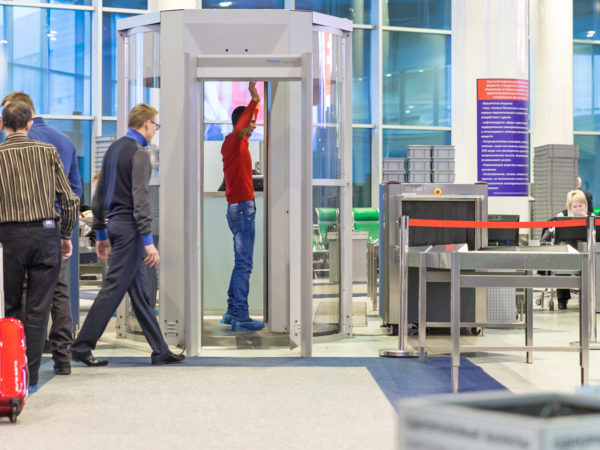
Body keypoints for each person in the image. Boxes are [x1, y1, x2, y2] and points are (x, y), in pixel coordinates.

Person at [70, 104, 184, 366]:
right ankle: (82, 346)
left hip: (116, 227)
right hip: (131, 230)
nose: (156, 129)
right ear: (145, 124)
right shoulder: (139, 153)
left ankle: (160, 350)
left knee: (140, 293)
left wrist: (101, 233)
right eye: (156, 124)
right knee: (112, 290)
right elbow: (140, 199)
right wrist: (147, 242)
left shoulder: (114, 149)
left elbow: (99, 194)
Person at [1, 91, 83, 376]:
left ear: (3, 125)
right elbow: (71, 198)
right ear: (28, 123)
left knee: (13, 307)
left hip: (10, 238)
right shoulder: (49, 152)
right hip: (46, 234)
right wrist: (65, 236)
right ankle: (33, 372)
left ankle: (15, 371)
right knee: (41, 306)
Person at [220, 82, 265, 331]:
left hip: (238, 209)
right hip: (242, 210)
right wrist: (254, 100)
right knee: (244, 264)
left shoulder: (239, 144)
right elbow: (242, 126)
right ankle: (240, 315)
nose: (254, 125)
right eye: (251, 122)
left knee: (240, 262)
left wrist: (254, 109)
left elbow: (245, 126)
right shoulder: (234, 143)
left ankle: (230, 310)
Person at [554, 189, 589, 310]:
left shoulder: (592, 217)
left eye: (581, 205)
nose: (578, 208)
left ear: (585, 205)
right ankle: (562, 299)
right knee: (561, 264)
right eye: (575, 206)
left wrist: (587, 220)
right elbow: (556, 238)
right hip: (568, 250)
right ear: (570, 206)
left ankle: (589, 298)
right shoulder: (562, 216)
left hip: (586, 251)